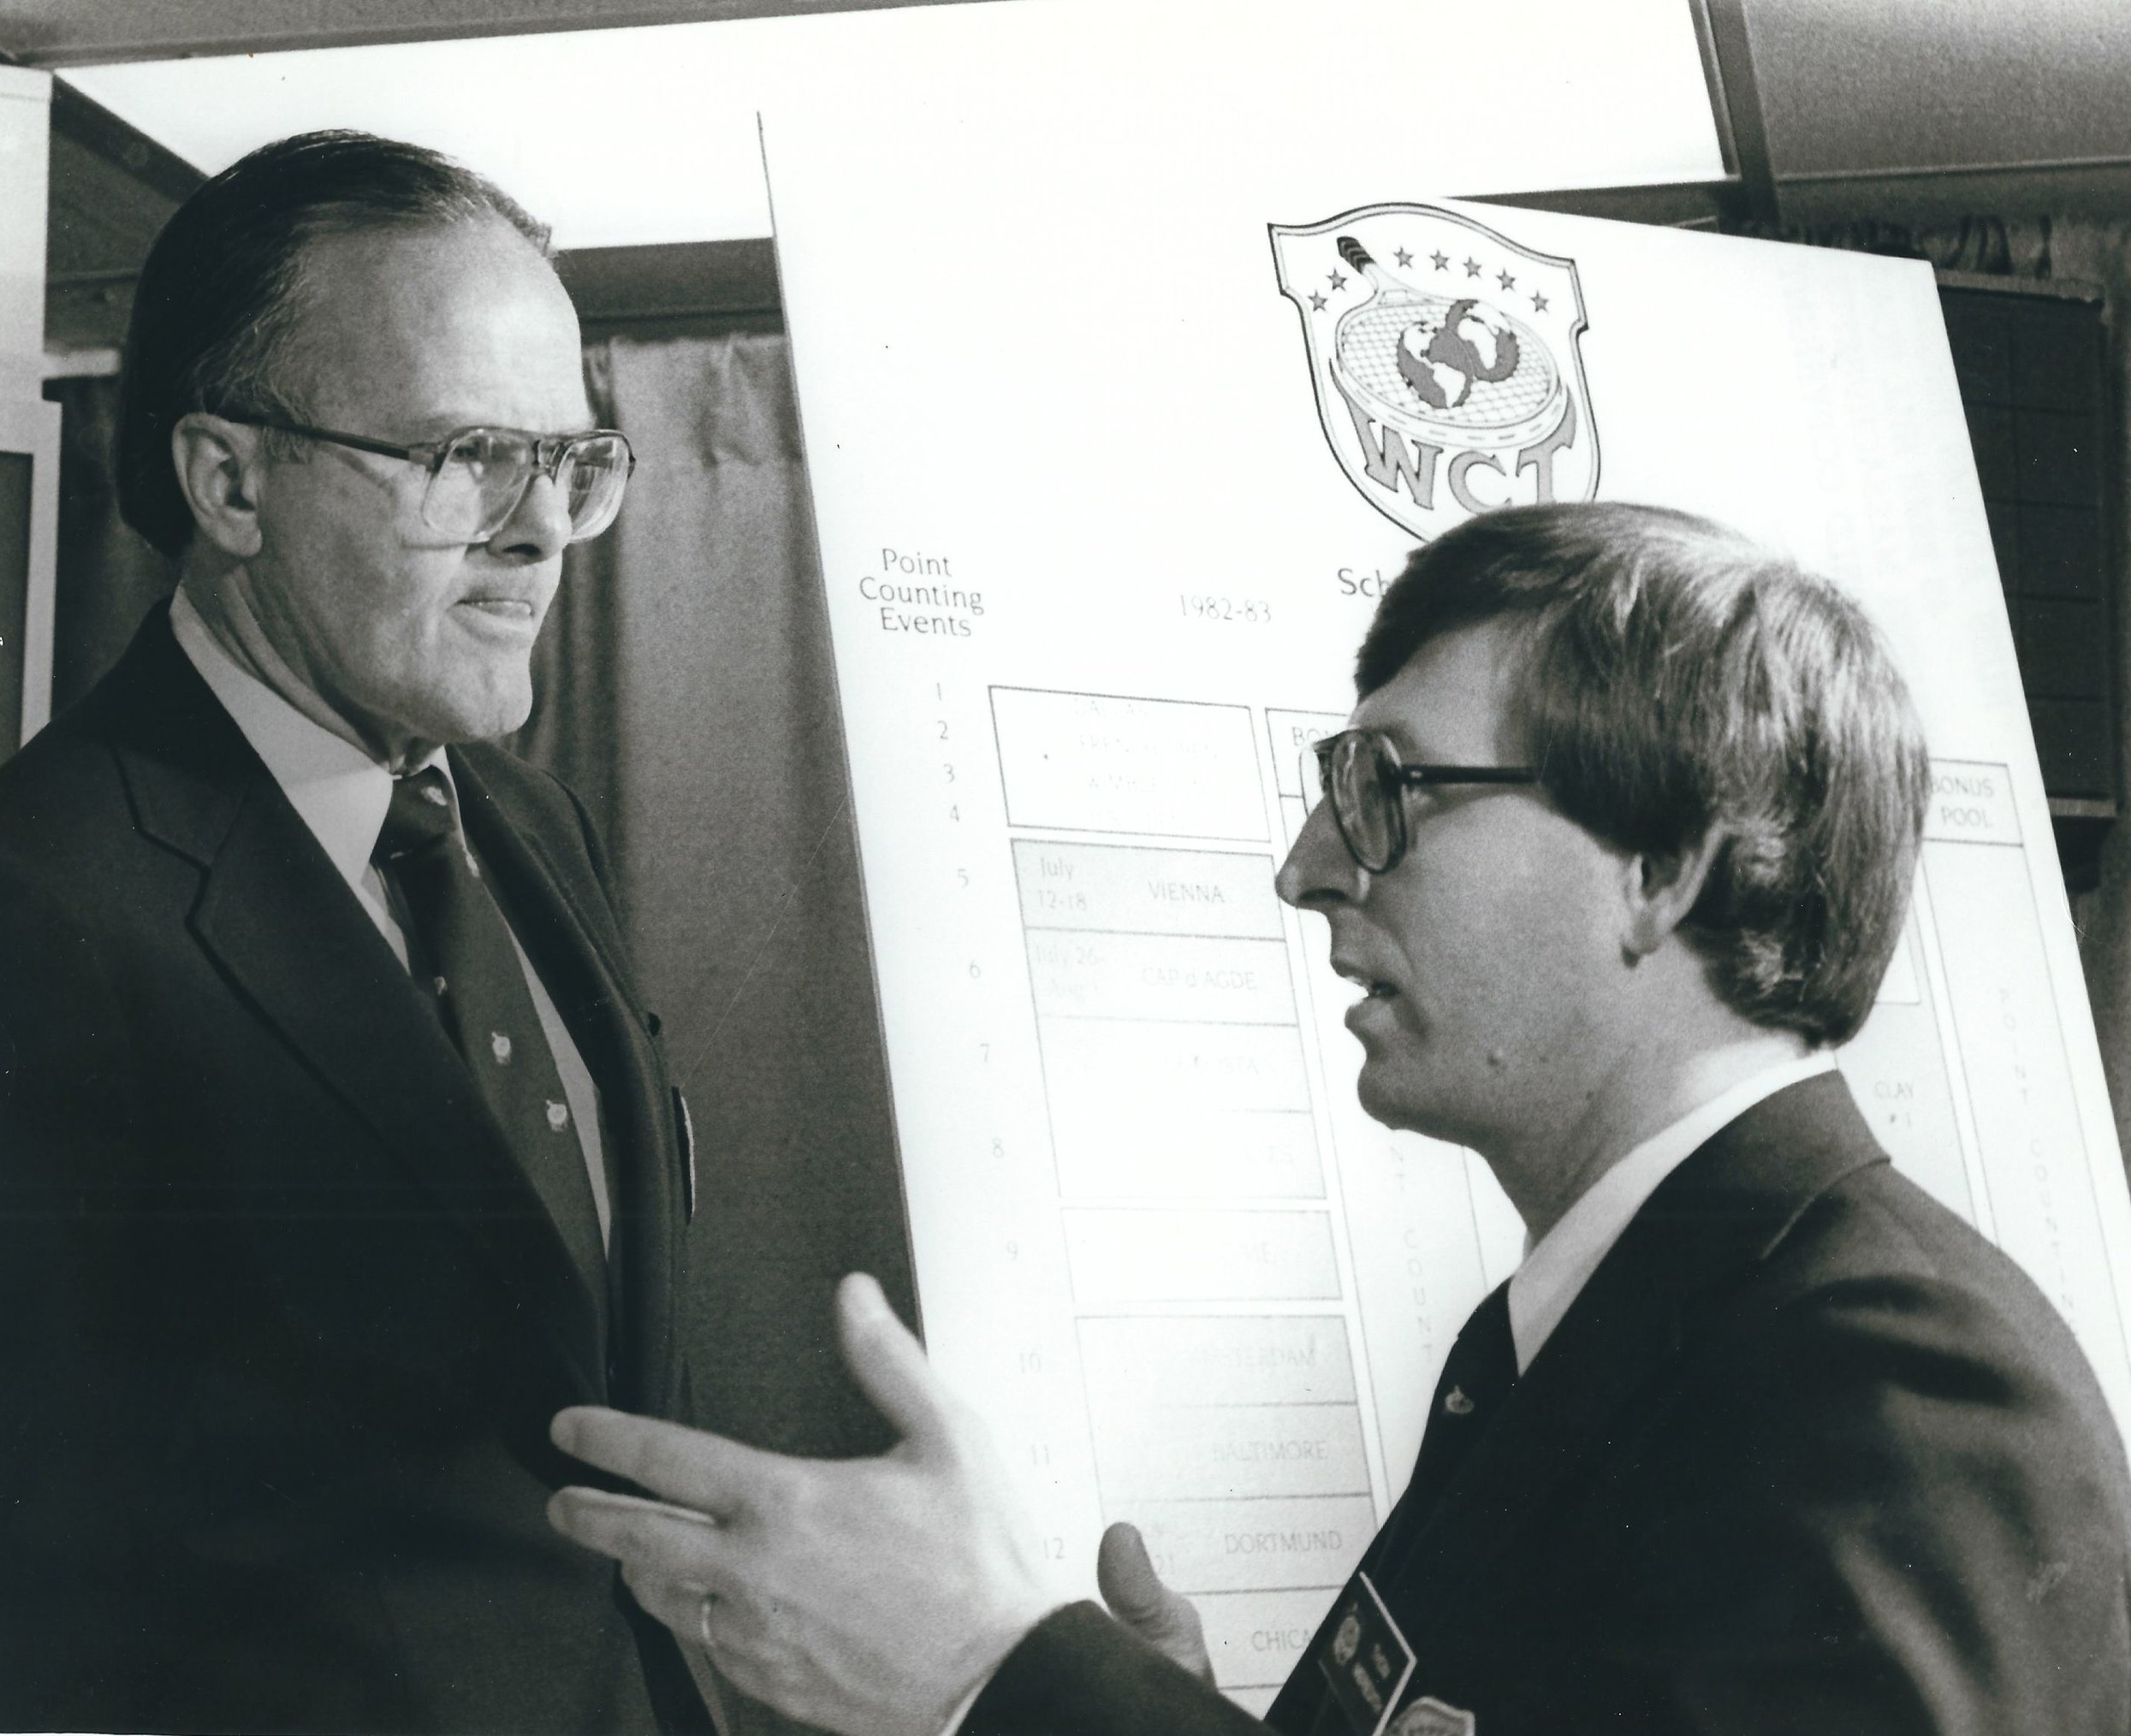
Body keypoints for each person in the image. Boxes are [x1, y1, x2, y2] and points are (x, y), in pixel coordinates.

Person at [546, 501, 2131, 1736]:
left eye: (1390, 789)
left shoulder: (1900, 1382)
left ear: (1665, 870)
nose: (1308, 864)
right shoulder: (1623, 1317)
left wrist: (1003, 1670)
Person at [0, 132, 711, 1734]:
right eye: (470, 455)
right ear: (230, 481)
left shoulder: (528, 828)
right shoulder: (30, 913)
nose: (540, 534)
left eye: (570, 460)